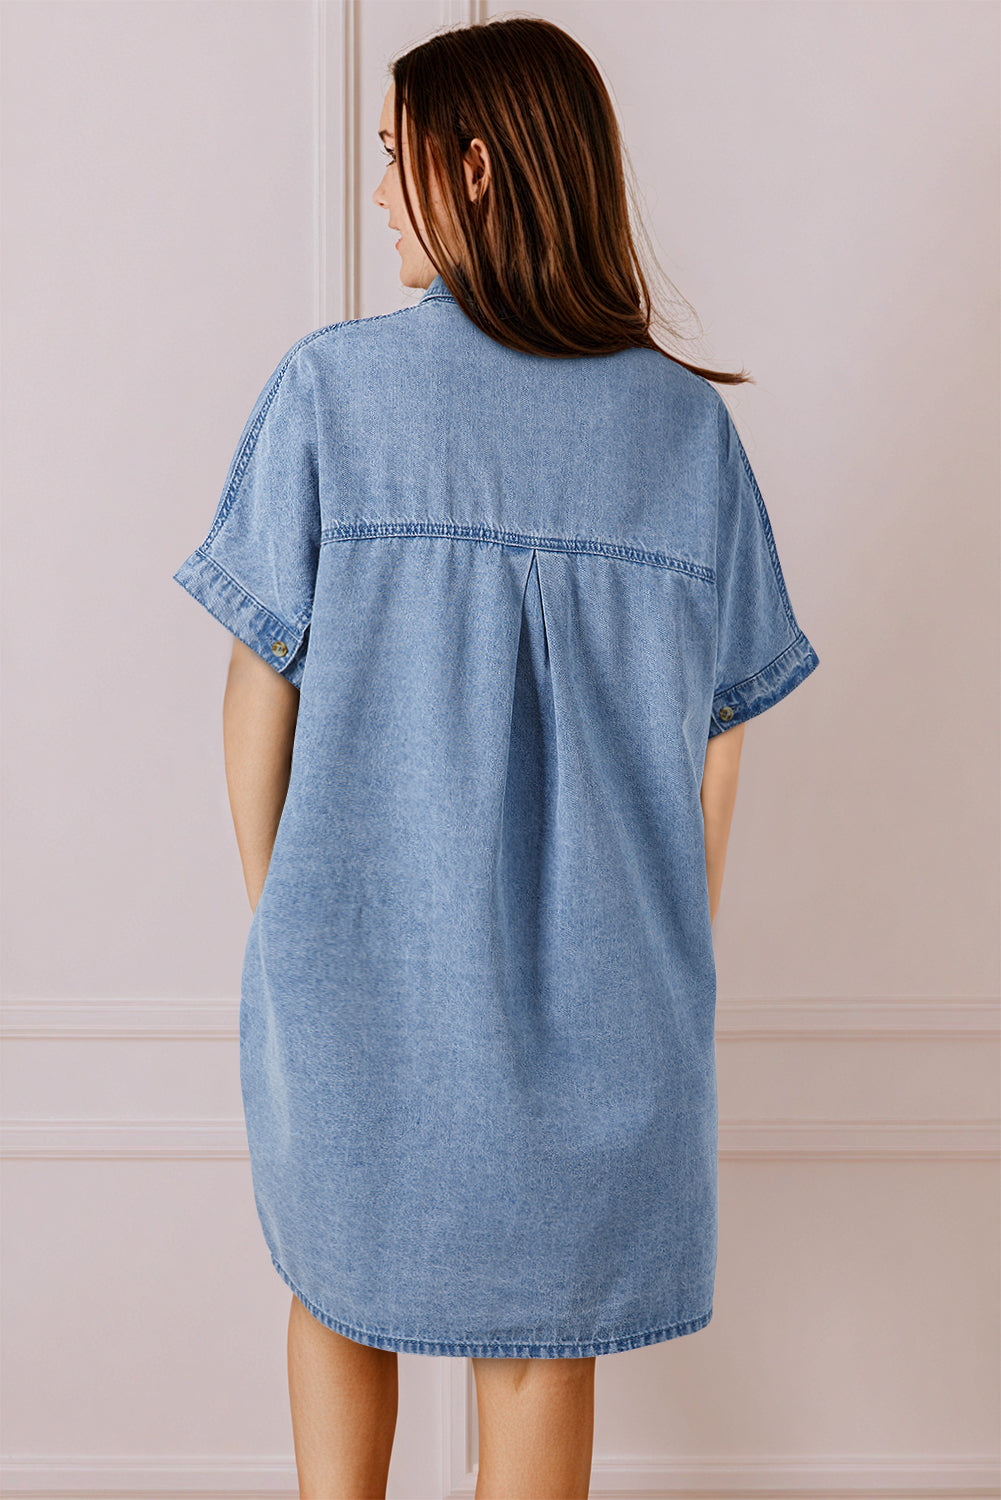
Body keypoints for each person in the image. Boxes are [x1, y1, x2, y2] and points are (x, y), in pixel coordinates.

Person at [173, 16, 820, 1500]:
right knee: (542, 1338)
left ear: (471, 168)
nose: (378, 194)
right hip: (609, 983)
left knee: (342, 1288)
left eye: (393, 159)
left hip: (356, 960)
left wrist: (289, 915)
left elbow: (253, 692)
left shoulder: (333, 391)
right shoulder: (683, 432)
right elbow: (719, 738)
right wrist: (664, 950)